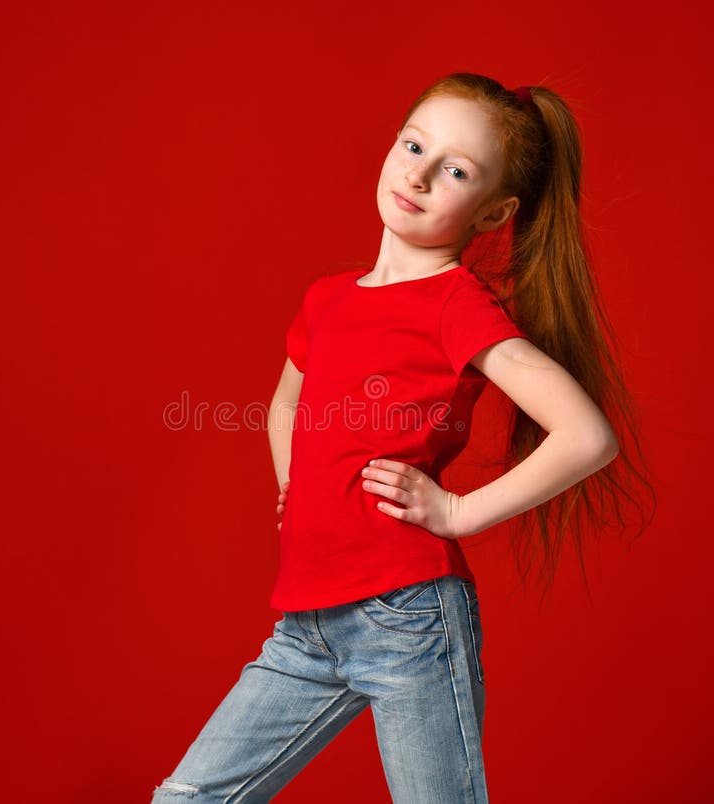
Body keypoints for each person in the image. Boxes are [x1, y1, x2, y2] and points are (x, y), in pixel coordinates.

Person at [151, 72, 655, 803]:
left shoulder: (456, 305)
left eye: (454, 170)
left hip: (407, 620)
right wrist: (300, 485)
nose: (417, 173)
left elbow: (586, 435)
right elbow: (285, 408)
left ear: (494, 213)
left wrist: (457, 514)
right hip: (307, 625)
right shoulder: (327, 298)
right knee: (188, 798)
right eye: (413, 145)